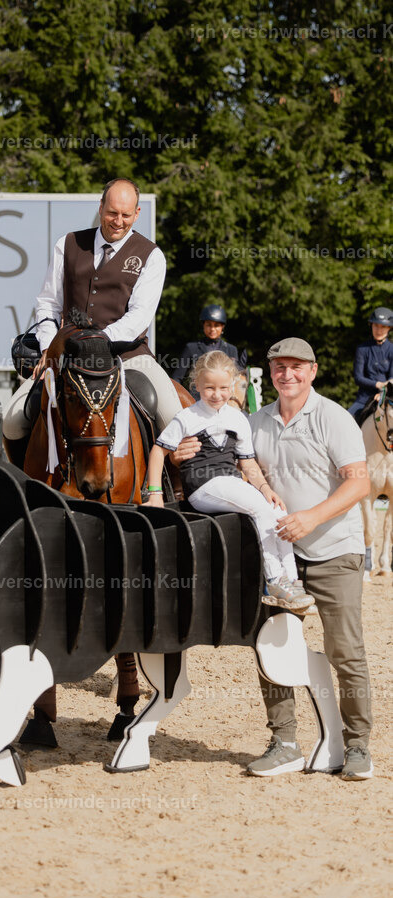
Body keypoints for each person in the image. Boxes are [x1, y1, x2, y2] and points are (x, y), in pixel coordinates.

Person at [169, 336, 372, 781]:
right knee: (272, 648)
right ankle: (284, 743)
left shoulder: (334, 417)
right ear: (268, 373)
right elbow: (226, 464)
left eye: (297, 367)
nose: (287, 374)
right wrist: (180, 453)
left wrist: (311, 517)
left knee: (346, 652)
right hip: (276, 556)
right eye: (279, 367)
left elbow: (359, 483)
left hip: (334, 550)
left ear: (312, 371)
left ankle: (358, 747)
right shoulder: (250, 422)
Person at [3, 178, 182, 464]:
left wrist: (96, 342)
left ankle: (170, 494)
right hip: (67, 355)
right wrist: (51, 346)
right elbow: (49, 303)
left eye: (126, 215)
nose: (118, 221)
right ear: (100, 208)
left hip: (128, 354)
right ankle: (25, 484)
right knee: (11, 421)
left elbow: (138, 316)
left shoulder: (152, 256)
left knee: (177, 423)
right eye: (112, 212)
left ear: (137, 214)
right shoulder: (68, 243)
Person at [144, 350, 314, 611]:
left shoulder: (237, 419)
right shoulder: (187, 417)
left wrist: (266, 488)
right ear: (197, 385)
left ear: (233, 385)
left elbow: (247, 462)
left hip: (230, 483)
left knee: (277, 509)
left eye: (224, 387)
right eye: (209, 387)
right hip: (202, 487)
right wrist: (155, 493)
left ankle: (292, 581)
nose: (217, 394)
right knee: (259, 509)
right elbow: (158, 452)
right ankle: (274, 578)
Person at [171, 303, 247, 399]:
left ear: (222, 327)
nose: (212, 329)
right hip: (197, 400)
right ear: (203, 325)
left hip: (222, 400)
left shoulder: (231, 350)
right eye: (209, 325)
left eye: (216, 325)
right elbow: (177, 378)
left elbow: (235, 381)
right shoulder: (191, 348)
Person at [348, 306, 393, 422]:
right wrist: (378, 384)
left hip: (387, 396)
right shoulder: (362, 349)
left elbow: (392, 377)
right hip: (364, 399)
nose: (379, 330)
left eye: (383, 326)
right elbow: (358, 378)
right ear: (371, 326)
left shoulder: (392, 350)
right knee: (346, 420)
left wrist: (383, 393)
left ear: (389, 328)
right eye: (376, 326)